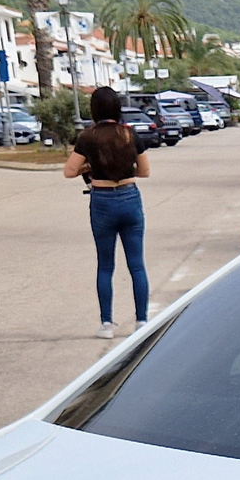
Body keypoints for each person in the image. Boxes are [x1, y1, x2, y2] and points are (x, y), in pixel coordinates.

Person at [63, 85, 150, 339]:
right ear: (117, 108)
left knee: (105, 265)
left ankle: (107, 324)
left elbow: (69, 171)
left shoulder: (87, 137)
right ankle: (142, 320)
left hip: (101, 200)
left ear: (94, 109)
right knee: (136, 264)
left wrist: (89, 166)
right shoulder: (129, 135)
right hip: (129, 197)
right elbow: (144, 172)